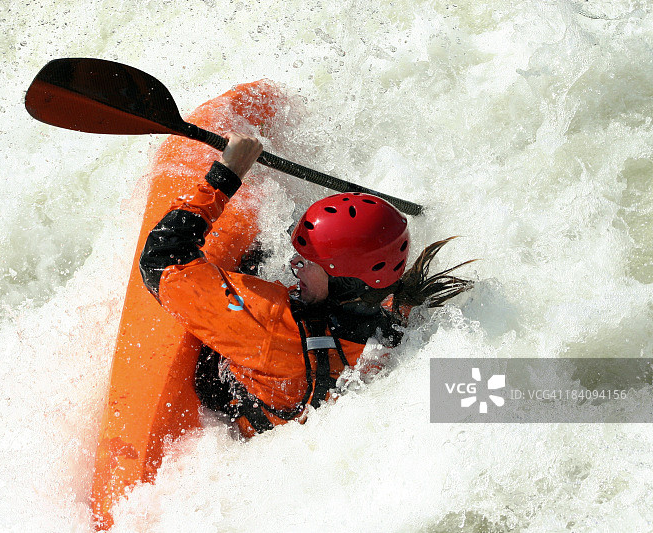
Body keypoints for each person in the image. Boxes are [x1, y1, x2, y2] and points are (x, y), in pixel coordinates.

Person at [139, 133, 472, 437]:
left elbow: (160, 259)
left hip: (238, 417)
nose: (294, 264)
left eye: (308, 263)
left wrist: (227, 174)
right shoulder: (398, 314)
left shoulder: (271, 322)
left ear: (344, 279)